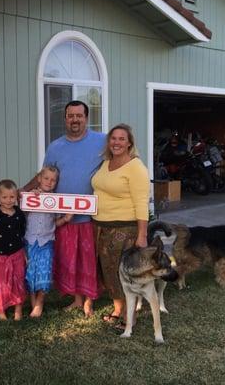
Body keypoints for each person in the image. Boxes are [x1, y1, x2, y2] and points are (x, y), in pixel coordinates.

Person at [22, 100, 105, 316]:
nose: (75, 119)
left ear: (86, 118)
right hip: (61, 215)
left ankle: (89, 301)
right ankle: (77, 299)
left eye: (79, 115)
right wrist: (24, 191)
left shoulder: (101, 141)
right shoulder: (55, 146)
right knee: (71, 259)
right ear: (65, 118)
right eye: (71, 115)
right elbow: (44, 174)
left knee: (88, 260)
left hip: (89, 215)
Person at [91, 123, 150, 329]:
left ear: (129, 143)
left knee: (122, 273)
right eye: (113, 138)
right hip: (100, 227)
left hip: (124, 229)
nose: (116, 142)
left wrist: (142, 235)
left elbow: (141, 203)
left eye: (121, 139)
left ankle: (128, 316)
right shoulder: (106, 163)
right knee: (108, 273)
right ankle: (117, 309)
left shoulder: (136, 167)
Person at [24, 166, 73, 318]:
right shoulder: (31, 196)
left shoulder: (56, 200)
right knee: (31, 273)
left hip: (46, 242)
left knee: (44, 273)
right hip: (30, 240)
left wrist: (65, 219)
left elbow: (55, 222)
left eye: (53, 180)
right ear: (39, 179)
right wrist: (31, 197)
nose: (49, 182)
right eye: (46, 178)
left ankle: (39, 304)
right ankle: (33, 303)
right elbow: (22, 215)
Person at [0, 179, 28, 321]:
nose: (8, 200)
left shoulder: (20, 214)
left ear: (16, 197)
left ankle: (18, 309)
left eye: (12, 197)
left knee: (18, 282)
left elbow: (22, 236)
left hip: (17, 255)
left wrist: (25, 254)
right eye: (4, 197)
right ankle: (0, 310)